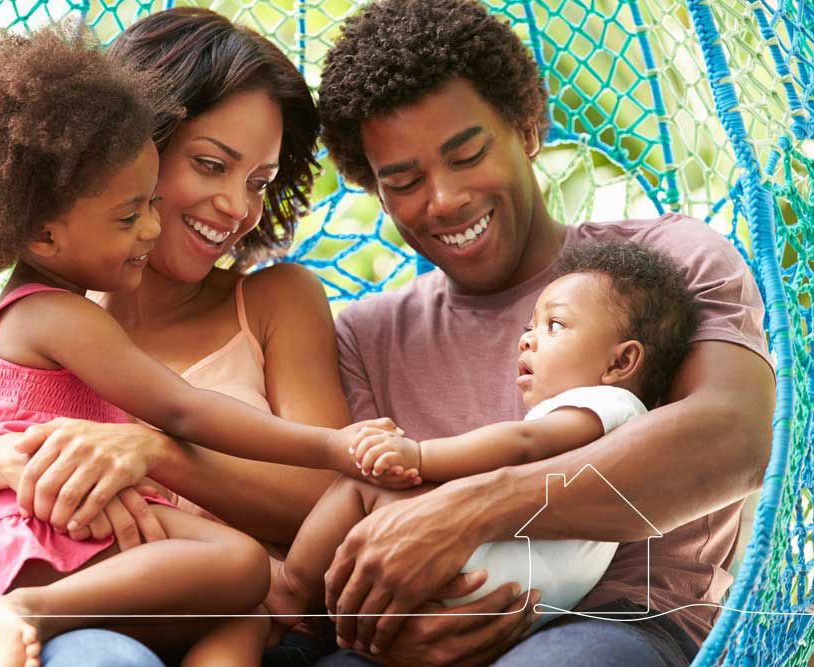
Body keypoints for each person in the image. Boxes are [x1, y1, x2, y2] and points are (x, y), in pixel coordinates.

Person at [0, 8, 355, 667]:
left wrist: (150, 451)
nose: (238, 207)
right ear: (131, 148)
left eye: (258, 183)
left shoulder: (274, 302)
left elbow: (321, 499)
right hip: (46, 635)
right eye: (211, 164)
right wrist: (14, 460)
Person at [262, 0, 775, 665]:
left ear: (526, 129)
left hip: (625, 621)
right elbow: (360, 522)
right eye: (404, 180)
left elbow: (733, 435)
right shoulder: (366, 335)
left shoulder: (666, 262)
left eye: (467, 153)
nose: (443, 199)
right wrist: (388, 630)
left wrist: (483, 503)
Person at [264, 240, 699, 645]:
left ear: (621, 361)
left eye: (555, 325)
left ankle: (289, 590)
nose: (527, 338)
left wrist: (419, 455)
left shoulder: (608, 404)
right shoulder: (607, 420)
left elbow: (522, 443)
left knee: (364, 486)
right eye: (531, 326)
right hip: (516, 593)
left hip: (493, 577)